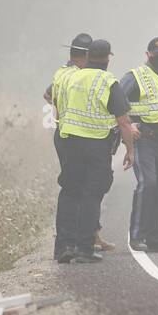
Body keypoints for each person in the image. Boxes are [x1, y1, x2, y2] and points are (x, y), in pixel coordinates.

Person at [55, 39, 138, 263]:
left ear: (88, 55)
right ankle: (84, 248)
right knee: (92, 195)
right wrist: (130, 150)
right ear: (108, 58)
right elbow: (123, 122)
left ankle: (63, 246)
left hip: (69, 142)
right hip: (96, 146)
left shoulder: (71, 77)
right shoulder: (109, 82)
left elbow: (58, 105)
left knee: (69, 192)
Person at [44, 33, 115, 253]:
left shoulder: (63, 74)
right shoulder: (80, 76)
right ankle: (81, 239)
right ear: (86, 55)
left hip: (65, 133)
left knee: (73, 187)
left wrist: (63, 111)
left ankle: (76, 239)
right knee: (86, 188)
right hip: (79, 136)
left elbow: (47, 95)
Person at [118, 36, 158, 253]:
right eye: (157, 54)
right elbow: (115, 103)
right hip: (143, 140)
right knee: (148, 184)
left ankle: (156, 237)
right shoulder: (134, 76)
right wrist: (128, 128)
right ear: (148, 54)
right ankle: (137, 236)